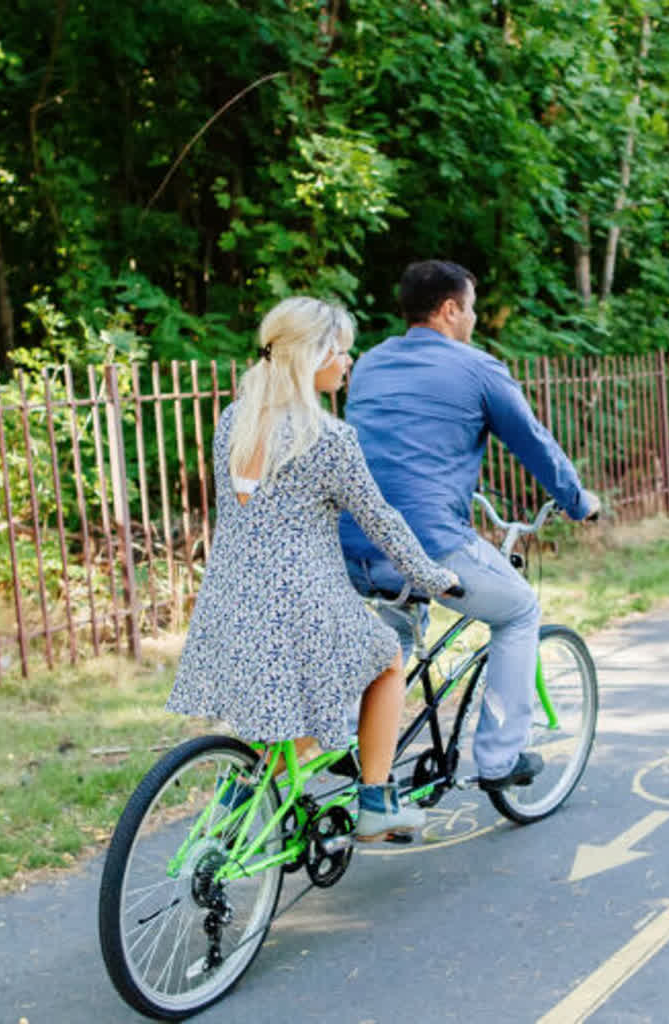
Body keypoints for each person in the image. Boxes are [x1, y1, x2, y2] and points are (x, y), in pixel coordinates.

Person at [167, 296, 461, 840]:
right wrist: (433, 576)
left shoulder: (234, 421)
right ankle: (377, 800)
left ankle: (225, 821)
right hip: (302, 604)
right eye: (342, 352)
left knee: (284, 724)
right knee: (388, 660)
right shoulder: (327, 439)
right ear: (315, 356)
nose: (349, 363)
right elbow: (383, 521)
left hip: (231, 600)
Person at [340, 260, 599, 791]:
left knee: (396, 633)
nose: (475, 321)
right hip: (428, 542)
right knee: (520, 611)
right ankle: (500, 760)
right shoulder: (477, 368)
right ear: (449, 309)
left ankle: (349, 745)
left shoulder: (367, 365)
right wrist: (577, 503)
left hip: (351, 542)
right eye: (472, 309)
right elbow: (535, 445)